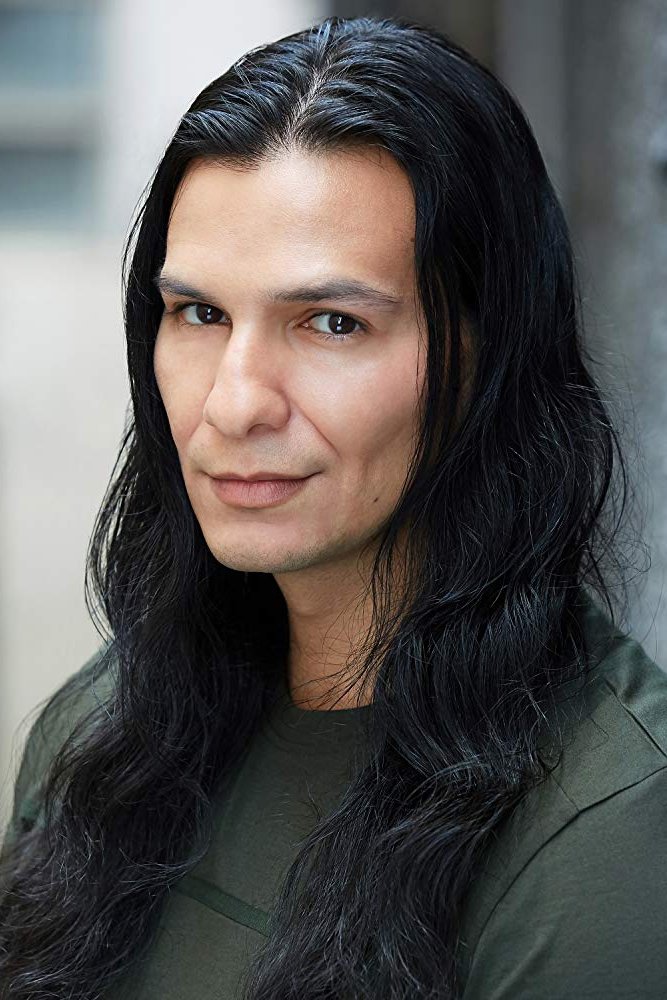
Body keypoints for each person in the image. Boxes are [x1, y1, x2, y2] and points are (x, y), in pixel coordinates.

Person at [1, 13, 666, 1000]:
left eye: (331, 323)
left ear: (488, 357)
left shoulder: (604, 840)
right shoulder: (111, 732)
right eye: (199, 313)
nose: (234, 403)